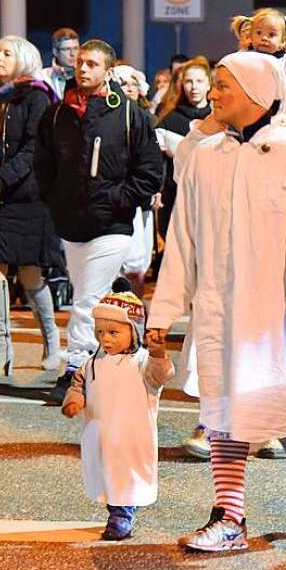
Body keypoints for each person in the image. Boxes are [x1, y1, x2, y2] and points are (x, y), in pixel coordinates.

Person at [149, 51, 286, 551]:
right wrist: (163, 313)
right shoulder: (207, 157)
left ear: (257, 92)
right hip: (217, 308)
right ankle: (230, 516)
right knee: (223, 409)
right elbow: (182, 238)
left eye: (224, 86)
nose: (213, 93)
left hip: (278, 312)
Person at [35, 39, 163, 402]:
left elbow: (150, 171)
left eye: (91, 63)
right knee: (88, 294)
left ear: (108, 71)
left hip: (113, 225)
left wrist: (116, 201)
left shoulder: (129, 115)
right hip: (72, 223)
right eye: (79, 63)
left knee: (87, 299)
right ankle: (119, 362)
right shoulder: (58, 114)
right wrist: (55, 200)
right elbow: (42, 163)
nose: (83, 69)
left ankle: (75, 370)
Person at [0, 35, 64, 379]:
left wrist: (2, 178)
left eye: (6, 53)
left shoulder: (36, 97)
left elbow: (32, 150)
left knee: (30, 275)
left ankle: (52, 340)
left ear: (24, 58)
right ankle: (2, 353)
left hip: (28, 200)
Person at [60, 289, 175, 541]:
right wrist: (74, 400)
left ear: (133, 331)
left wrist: (158, 353)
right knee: (106, 472)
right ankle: (117, 510)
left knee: (126, 474)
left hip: (132, 435)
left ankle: (122, 514)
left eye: (114, 333)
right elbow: (78, 383)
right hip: (101, 434)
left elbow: (161, 375)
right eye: (100, 332)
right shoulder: (92, 363)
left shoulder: (143, 362)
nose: (105, 339)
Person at [155, 57, 212, 246]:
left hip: (210, 194)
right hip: (175, 192)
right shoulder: (170, 119)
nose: (194, 87)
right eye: (189, 81)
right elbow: (158, 160)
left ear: (208, 84)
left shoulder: (219, 118)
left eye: (199, 81)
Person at [112, 63, 156, 298]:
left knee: (137, 262)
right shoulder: (107, 117)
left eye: (133, 83)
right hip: (115, 196)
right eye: (123, 83)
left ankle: (135, 314)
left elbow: (153, 161)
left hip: (140, 198)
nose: (128, 88)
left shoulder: (146, 119)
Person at [40, 27, 79, 100]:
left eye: (76, 48)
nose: (72, 54)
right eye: (67, 49)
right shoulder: (43, 77)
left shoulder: (85, 75)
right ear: (55, 52)